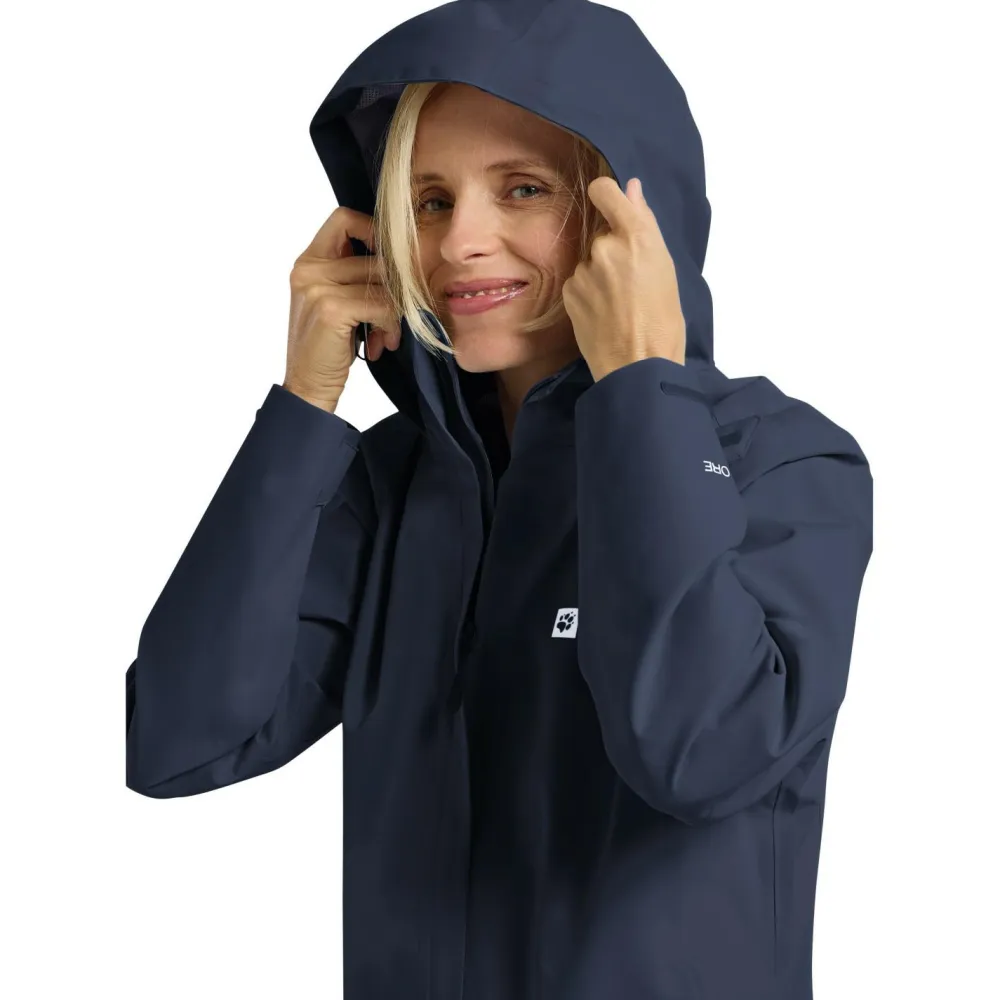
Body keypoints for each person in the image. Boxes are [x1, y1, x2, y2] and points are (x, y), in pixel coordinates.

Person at [125, 1, 874, 998]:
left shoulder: (779, 461)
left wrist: (641, 392)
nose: (457, 243)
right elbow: (177, 741)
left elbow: (701, 755)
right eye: (428, 202)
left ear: (633, 216)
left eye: (522, 189)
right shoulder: (391, 486)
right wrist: (303, 407)